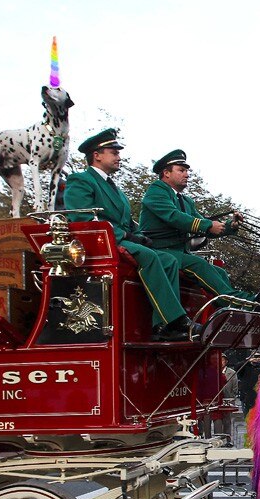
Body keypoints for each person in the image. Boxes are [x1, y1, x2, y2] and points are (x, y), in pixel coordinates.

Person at [64, 129, 198, 341]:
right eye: (114, 152)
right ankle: (176, 320)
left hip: (120, 239)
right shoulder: (80, 180)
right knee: (150, 257)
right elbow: (83, 218)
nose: (119, 157)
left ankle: (161, 325)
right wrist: (126, 235)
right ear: (97, 155)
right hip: (100, 244)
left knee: (168, 260)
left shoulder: (115, 189)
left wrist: (139, 235)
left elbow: (126, 221)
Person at [138, 150, 260, 305]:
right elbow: (174, 217)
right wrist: (208, 225)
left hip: (179, 253)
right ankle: (243, 302)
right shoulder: (156, 190)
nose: (187, 174)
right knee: (200, 265)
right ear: (166, 173)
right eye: (181, 170)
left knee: (219, 272)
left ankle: (226, 310)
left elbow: (203, 225)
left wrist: (231, 225)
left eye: (187, 171)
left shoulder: (186, 201)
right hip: (159, 251)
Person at [237, 350, 260, 416]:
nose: (256, 358)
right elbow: (237, 368)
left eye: (258, 356)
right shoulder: (246, 366)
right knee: (247, 417)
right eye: (255, 356)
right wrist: (248, 361)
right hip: (246, 396)